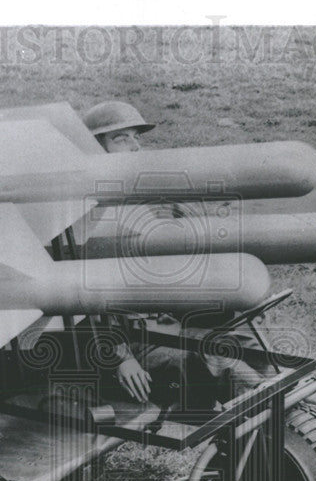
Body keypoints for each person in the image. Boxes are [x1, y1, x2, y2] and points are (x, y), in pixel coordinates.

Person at [81, 101, 271, 407]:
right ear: (94, 147)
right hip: (133, 341)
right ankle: (289, 410)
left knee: (240, 321)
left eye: (136, 138)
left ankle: (307, 398)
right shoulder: (84, 215)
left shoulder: (148, 194)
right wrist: (121, 358)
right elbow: (79, 300)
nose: (135, 147)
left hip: (172, 317)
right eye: (121, 139)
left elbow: (191, 246)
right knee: (211, 355)